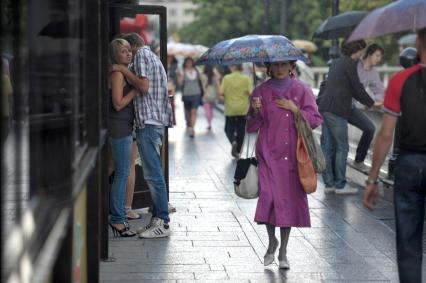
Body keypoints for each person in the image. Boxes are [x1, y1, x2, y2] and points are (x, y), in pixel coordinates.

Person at [363, 28, 426, 283]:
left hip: (410, 165)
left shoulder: (400, 80)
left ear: (419, 41)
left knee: (408, 243)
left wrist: (372, 179)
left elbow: (386, 135)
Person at [247, 61, 323, 269]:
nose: (280, 69)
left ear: (291, 66)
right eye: (275, 65)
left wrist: (296, 110)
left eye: (284, 65)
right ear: (269, 68)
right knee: (269, 199)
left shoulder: (302, 90)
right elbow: (252, 125)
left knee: (287, 203)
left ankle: (283, 252)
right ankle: (272, 241)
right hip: (268, 155)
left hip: (292, 158)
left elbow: (316, 119)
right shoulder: (260, 91)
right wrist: (254, 111)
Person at [114, 33, 173, 238]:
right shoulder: (152, 57)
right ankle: (157, 219)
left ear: (134, 46)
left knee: (153, 174)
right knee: (153, 173)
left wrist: (122, 69)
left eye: (128, 50)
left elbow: (143, 86)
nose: (128, 55)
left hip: (148, 123)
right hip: (152, 122)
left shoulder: (141, 56)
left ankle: (162, 222)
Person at [318, 40, 375, 195]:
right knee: (342, 147)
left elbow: (346, 87)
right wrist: (371, 103)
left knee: (328, 148)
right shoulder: (350, 64)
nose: (363, 54)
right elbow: (357, 88)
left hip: (325, 108)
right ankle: (341, 185)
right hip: (337, 110)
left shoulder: (336, 63)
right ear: (357, 50)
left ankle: (329, 184)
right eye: (362, 50)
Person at [107, 38, 140, 237]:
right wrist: (135, 91)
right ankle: (118, 220)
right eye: (122, 51)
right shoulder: (118, 74)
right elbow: (118, 104)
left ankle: (114, 215)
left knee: (115, 171)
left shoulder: (123, 72)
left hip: (123, 127)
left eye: (129, 50)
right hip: (119, 128)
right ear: (115, 56)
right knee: (121, 173)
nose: (128, 53)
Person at [351, 43, 385, 171]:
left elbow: (379, 90)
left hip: (352, 108)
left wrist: (376, 101)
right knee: (341, 144)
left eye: (380, 57)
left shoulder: (373, 73)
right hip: (340, 105)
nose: (378, 59)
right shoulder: (354, 65)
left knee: (370, 128)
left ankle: (359, 160)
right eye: (377, 55)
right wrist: (368, 102)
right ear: (369, 54)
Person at [220, 64, 253, 158]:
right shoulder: (246, 79)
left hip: (230, 108)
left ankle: (233, 140)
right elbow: (251, 92)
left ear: (232, 67)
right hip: (242, 109)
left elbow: (221, 92)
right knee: (241, 130)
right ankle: (237, 150)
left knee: (228, 128)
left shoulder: (226, 78)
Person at [177, 57, 203, 138]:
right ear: (185, 63)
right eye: (187, 62)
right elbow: (180, 83)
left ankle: (192, 128)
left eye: (190, 62)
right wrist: (179, 75)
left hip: (196, 93)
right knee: (188, 113)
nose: (189, 64)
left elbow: (201, 80)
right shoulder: (183, 71)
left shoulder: (197, 70)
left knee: (194, 111)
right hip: (186, 95)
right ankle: (189, 125)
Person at [201, 65, 221, 130]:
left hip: (206, 95)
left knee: (207, 110)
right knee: (211, 109)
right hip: (213, 95)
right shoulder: (214, 77)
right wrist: (215, 71)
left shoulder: (203, 76)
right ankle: (210, 122)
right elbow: (219, 77)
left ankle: (209, 123)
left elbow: (199, 76)